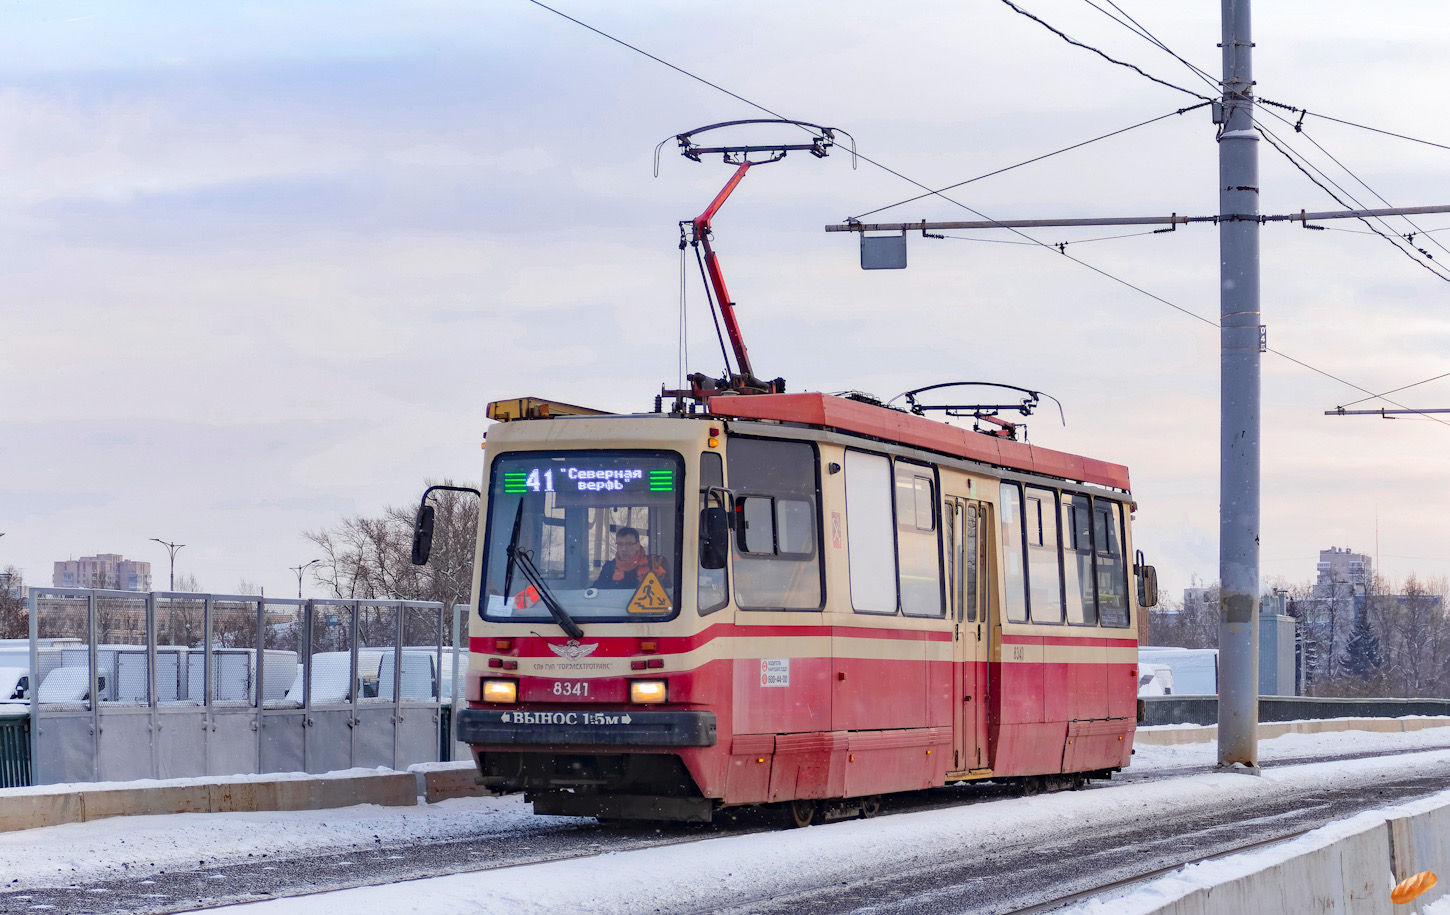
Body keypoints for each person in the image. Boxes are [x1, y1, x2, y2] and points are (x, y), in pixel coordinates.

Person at [594, 527, 670, 589]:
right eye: (620, 544)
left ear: (637, 546)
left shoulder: (654, 563)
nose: (624, 549)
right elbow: (595, 591)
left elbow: (668, 595)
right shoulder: (609, 567)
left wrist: (659, 579)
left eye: (629, 544)